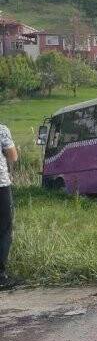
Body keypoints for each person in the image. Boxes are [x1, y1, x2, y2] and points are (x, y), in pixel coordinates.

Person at [0, 123, 18, 290]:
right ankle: (0, 276)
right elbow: (13, 156)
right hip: (1, 187)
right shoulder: (2, 129)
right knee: (4, 229)